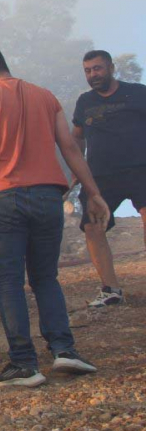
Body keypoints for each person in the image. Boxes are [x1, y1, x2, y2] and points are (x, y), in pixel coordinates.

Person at [0, 44, 110, 388]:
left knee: (9, 281)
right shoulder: (45, 97)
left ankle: (24, 364)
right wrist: (94, 193)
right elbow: (71, 147)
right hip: (48, 196)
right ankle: (65, 350)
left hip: (5, 199)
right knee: (46, 278)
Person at [72, 49, 146, 308]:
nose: (93, 74)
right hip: (100, 176)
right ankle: (110, 289)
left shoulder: (138, 92)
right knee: (93, 227)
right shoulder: (84, 102)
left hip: (141, 169)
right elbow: (78, 136)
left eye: (98, 68)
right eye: (88, 70)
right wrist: (75, 170)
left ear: (111, 67)